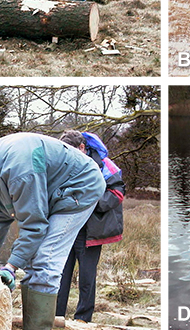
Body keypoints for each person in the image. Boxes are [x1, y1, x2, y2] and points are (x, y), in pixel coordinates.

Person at [0, 132, 105, 330]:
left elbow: (34, 226)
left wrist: (11, 267)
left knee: (45, 261)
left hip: (81, 187)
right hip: (55, 191)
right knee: (33, 261)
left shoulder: (20, 170)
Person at [55, 130, 125, 323]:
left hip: (92, 230)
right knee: (61, 275)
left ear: (82, 148)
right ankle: (57, 317)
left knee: (87, 278)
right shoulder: (64, 162)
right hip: (68, 228)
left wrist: (91, 202)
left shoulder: (106, 166)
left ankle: (83, 320)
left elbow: (117, 194)